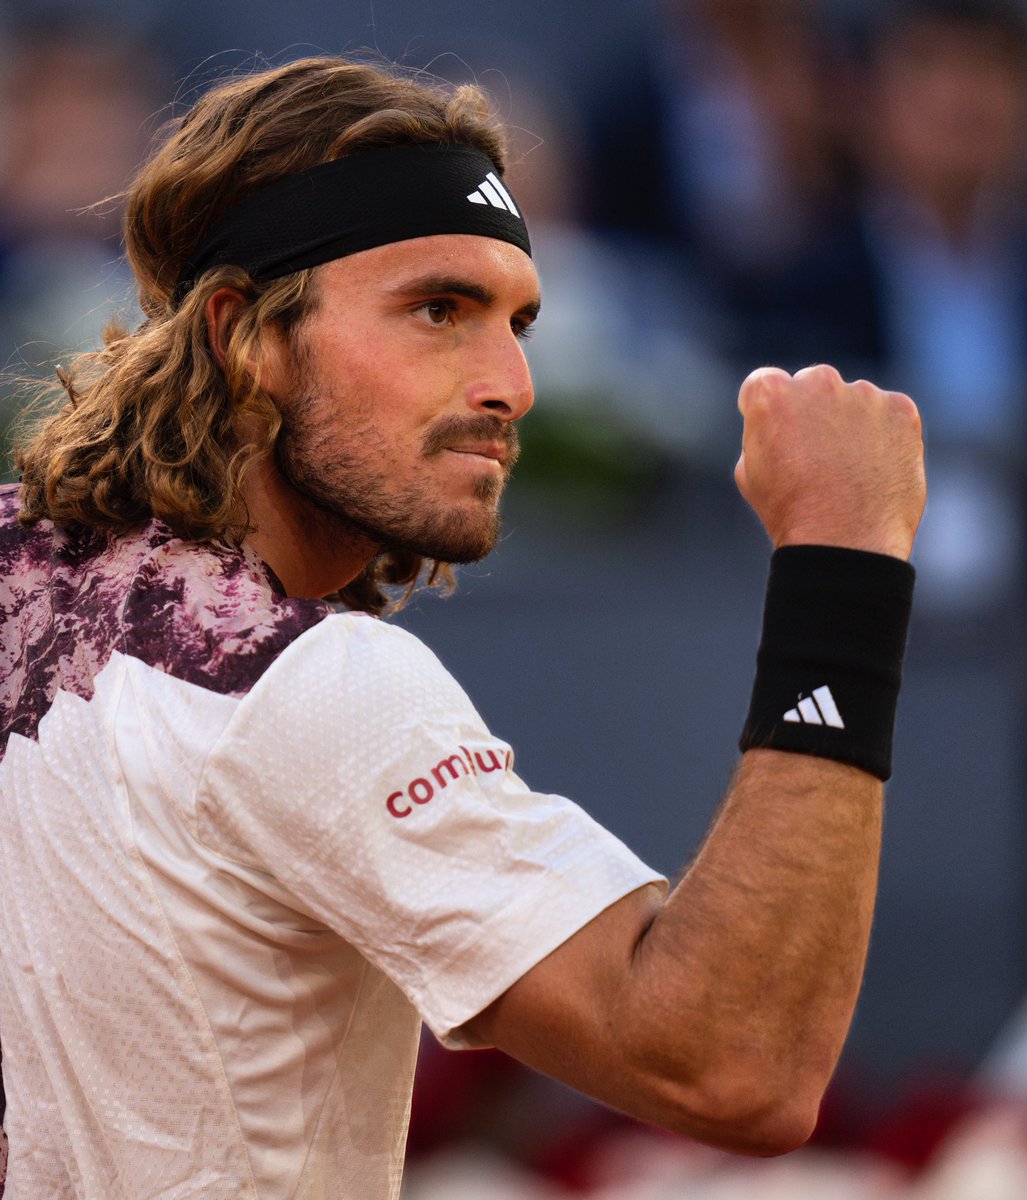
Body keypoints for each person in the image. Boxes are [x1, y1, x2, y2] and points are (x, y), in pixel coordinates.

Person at [0, 56, 925, 1200]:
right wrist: (845, 565)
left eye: (519, 321)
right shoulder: (298, 681)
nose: (512, 384)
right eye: (437, 310)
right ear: (244, 333)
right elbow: (733, 1067)